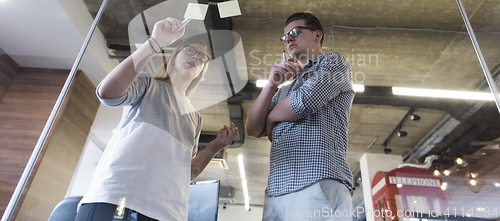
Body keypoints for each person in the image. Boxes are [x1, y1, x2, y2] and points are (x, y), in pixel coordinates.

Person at [76, 17, 237, 221]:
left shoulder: (195, 118)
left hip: (167, 212)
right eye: (189, 51)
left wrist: (214, 147)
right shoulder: (147, 84)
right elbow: (107, 93)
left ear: (202, 72)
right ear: (174, 55)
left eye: (202, 58)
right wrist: (155, 43)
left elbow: (186, 172)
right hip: (117, 197)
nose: (195, 57)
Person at [245, 12, 354, 221]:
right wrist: (271, 85)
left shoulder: (334, 63)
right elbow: (253, 128)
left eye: (295, 32)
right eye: (285, 37)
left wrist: (271, 118)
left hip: (317, 180)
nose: (289, 39)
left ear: (317, 35)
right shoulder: (284, 91)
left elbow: (304, 102)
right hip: (276, 191)